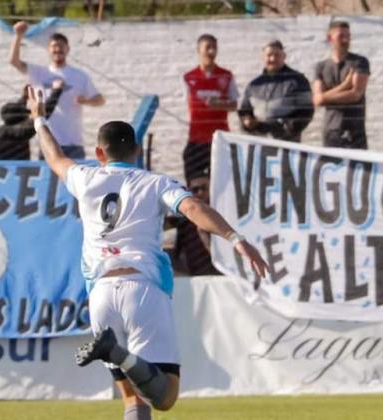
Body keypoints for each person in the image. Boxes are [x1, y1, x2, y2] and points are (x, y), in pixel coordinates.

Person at [26, 87, 268, 419]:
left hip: (100, 296)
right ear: (137, 150)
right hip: (142, 290)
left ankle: (113, 350)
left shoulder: (85, 178)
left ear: (99, 153)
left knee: (133, 402)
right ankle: (115, 352)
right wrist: (235, 237)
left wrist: (39, 119)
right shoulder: (155, 183)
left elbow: (54, 157)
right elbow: (194, 206)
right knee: (165, 397)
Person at [9, 21, 104, 159]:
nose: (58, 49)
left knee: (74, 181)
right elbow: (14, 61)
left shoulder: (79, 75)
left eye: (61, 46)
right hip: (47, 140)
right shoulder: (39, 73)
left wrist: (86, 101)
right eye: (54, 46)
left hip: (73, 143)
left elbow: (100, 99)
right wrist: (18, 35)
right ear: (48, 49)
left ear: (67, 49)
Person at [238, 40, 313, 142]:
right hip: (260, 143)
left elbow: (306, 111)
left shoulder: (298, 80)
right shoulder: (254, 85)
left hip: (287, 143)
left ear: (284, 56)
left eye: (277, 55)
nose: (273, 59)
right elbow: (244, 110)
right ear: (263, 57)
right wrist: (247, 122)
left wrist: (284, 128)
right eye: (269, 55)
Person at [183, 34, 238, 170]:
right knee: (195, 182)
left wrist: (219, 104)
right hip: (196, 138)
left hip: (220, 137)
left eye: (214, 48)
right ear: (198, 50)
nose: (211, 51)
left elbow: (234, 105)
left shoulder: (226, 75)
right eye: (208, 47)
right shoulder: (189, 77)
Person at [312, 21, 370, 149]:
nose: (345, 40)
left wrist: (324, 97)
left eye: (348, 36)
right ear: (329, 38)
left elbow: (355, 94)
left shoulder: (359, 62)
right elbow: (317, 100)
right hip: (330, 130)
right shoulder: (321, 67)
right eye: (341, 36)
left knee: (358, 167)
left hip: (354, 129)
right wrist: (344, 86)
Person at [166, 161, 219, 276]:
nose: (200, 193)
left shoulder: (222, 217)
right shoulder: (184, 222)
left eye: (204, 189)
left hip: (221, 280)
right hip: (195, 280)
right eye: (195, 190)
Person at [0, 80, 64, 160]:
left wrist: (25, 98)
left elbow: (17, 111)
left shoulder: (0, 132)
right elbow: (40, 117)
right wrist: (57, 91)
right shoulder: (9, 133)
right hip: (12, 171)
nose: (29, 116)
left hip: (13, 170)